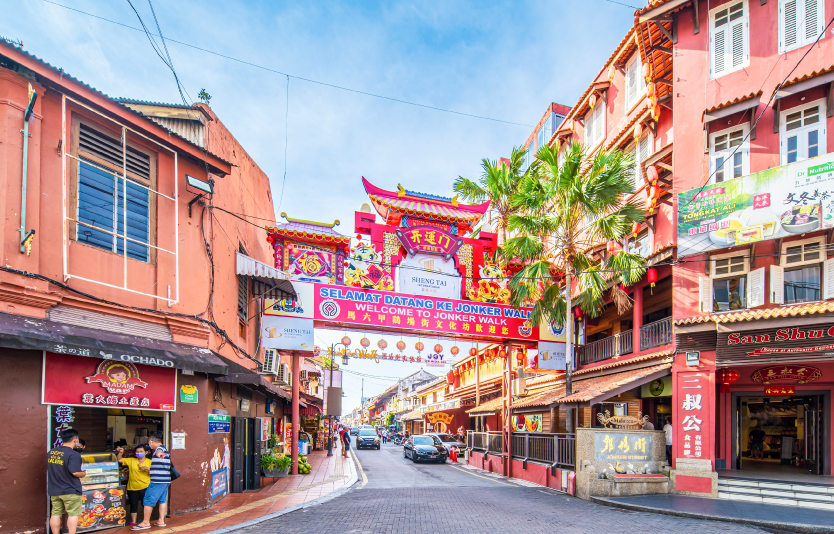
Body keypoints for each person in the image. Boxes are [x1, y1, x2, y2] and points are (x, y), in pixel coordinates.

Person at [48, 429, 86, 534]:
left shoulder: (52, 452)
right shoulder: (74, 454)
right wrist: (83, 473)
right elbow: (75, 472)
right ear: (75, 439)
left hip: (55, 489)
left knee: (55, 513)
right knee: (73, 514)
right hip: (70, 490)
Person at [133, 432, 170, 530]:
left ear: (151, 441)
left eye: (149, 443)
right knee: (162, 500)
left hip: (157, 481)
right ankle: (161, 521)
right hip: (165, 480)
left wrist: (158, 455)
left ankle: (145, 522)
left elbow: (158, 452)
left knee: (148, 500)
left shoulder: (159, 449)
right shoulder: (164, 448)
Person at [117, 444, 152, 526]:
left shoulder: (150, 462)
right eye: (137, 451)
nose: (139, 453)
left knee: (146, 504)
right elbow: (119, 460)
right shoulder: (131, 460)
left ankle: (146, 520)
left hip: (145, 487)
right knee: (133, 504)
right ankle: (133, 521)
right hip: (132, 487)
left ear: (146, 452)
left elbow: (154, 473)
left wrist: (146, 468)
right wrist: (120, 452)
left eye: (141, 451)